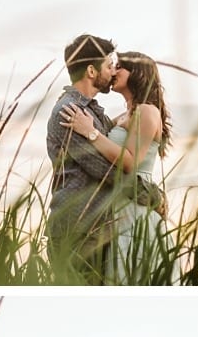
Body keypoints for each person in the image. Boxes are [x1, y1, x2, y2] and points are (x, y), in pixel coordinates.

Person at [45, 34, 166, 281]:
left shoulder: (95, 112)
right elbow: (105, 171)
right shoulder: (70, 112)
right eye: (110, 65)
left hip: (99, 225)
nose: (113, 71)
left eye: (118, 66)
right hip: (76, 227)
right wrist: (150, 194)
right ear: (91, 71)